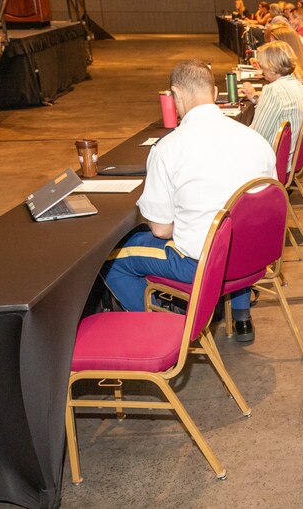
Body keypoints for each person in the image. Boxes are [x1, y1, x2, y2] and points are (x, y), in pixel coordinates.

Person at [102, 59, 276, 342]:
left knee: (111, 260)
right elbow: (264, 203)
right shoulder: (256, 140)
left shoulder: (168, 149)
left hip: (202, 264)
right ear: (216, 92)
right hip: (252, 257)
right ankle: (242, 317)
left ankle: (168, 334)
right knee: (236, 229)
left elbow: (161, 230)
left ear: (176, 95)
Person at [240, 41, 303, 154]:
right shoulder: (297, 84)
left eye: (262, 66)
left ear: (272, 68)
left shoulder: (274, 91)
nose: (262, 71)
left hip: (273, 160)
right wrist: (256, 99)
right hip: (290, 157)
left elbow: (257, 134)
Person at [265, 24, 303, 113]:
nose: (272, 47)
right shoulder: (296, 44)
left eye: (273, 44)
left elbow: (281, 99)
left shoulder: (295, 73)